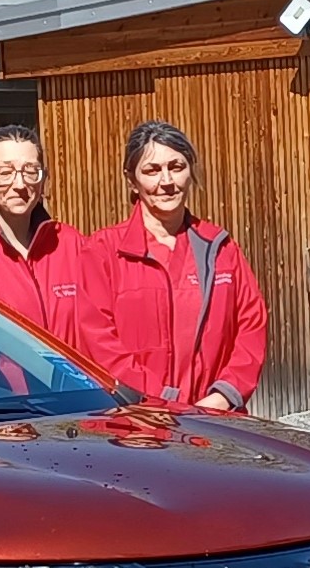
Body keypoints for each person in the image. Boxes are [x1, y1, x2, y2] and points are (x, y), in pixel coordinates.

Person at [93, 122, 269, 413]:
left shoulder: (219, 248)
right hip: (138, 423)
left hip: (216, 419)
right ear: (131, 180)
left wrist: (224, 395)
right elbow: (100, 343)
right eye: (151, 170)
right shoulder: (103, 253)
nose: (166, 181)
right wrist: (163, 400)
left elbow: (251, 327)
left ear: (190, 170)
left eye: (176, 166)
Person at [0, 125, 108, 362]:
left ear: (43, 179)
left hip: (77, 395)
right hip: (8, 396)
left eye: (31, 171)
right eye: (5, 172)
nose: (20, 184)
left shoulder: (70, 243)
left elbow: (99, 328)